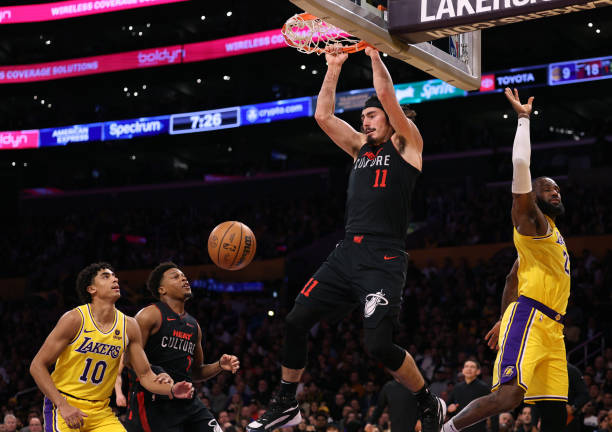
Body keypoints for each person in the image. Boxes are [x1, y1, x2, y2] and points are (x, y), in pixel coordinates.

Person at [247, 45, 445, 432]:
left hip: (384, 257)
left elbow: (387, 95)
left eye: (371, 116)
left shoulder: (407, 144)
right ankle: (287, 403)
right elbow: (323, 115)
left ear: (390, 118)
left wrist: (374, 54)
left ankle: (426, 399)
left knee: (378, 347)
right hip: (346, 254)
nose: (365, 122)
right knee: (295, 321)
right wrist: (334, 67)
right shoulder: (359, 149)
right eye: (363, 117)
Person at [442, 89, 570, 432]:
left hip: (551, 329)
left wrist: (502, 318)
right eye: (548, 189)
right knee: (508, 396)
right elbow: (520, 165)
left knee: (556, 412)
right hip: (530, 317)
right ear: (533, 197)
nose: (556, 192)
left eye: (558, 189)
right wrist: (524, 119)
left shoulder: (550, 236)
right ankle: (446, 429)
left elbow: (513, 276)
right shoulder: (531, 221)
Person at [29, 262, 193, 432]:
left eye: (114, 276)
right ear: (92, 289)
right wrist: (62, 405)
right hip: (65, 404)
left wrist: (172, 390)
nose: (115, 279)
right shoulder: (74, 319)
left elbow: (145, 374)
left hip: (101, 411)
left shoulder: (129, 325)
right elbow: (37, 366)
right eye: (106, 276)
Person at [122, 262, 240, 432]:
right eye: (175, 276)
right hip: (153, 401)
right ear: (162, 290)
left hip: (187, 400)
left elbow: (196, 372)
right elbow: (128, 359)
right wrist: (156, 372)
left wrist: (219, 365)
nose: (183, 278)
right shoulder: (150, 315)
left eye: (183, 275)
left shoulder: (193, 325)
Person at [447, 359, 490, 432]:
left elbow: (492, 408)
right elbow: (448, 405)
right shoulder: (457, 387)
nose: (469, 369)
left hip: (478, 428)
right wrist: (449, 408)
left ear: (478, 371)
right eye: (466, 366)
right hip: (459, 428)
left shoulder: (484, 388)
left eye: (472, 367)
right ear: (463, 370)